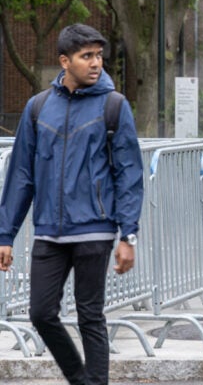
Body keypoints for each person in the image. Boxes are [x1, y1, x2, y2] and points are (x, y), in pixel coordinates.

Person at [0, 24, 143, 385]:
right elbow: (21, 176)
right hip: (49, 231)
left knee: (90, 315)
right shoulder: (37, 108)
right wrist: (6, 234)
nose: (96, 63)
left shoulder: (114, 106)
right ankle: (84, 382)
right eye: (86, 56)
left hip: (94, 227)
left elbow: (129, 174)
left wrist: (129, 235)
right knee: (41, 313)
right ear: (65, 61)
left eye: (98, 56)